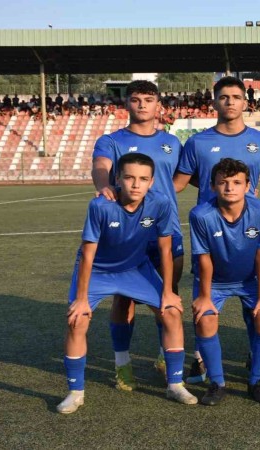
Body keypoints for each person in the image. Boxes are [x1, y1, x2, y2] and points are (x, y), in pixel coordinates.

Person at [57, 153, 197, 414]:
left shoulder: (160, 203)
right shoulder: (100, 205)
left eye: (143, 179)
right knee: (78, 319)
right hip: (98, 271)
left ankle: (175, 384)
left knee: (171, 312)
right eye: (129, 177)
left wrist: (168, 292)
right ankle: (75, 392)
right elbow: (87, 254)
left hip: (135, 268)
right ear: (118, 179)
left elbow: (165, 249)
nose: (136, 184)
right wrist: (82, 298)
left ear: (151, 182)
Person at [174, 76, 260, 383]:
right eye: (224, 97)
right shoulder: (197, 142)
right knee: (204, 300)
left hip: (249, 230)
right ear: (214, 102)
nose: (230, 102)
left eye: (236, 96)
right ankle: (201, 359)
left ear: (245, 102)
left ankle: (255, 360)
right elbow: (179, 183)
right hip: (212, 232)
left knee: (256, 304)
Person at [91, 80, 183, 390]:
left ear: (159, 105)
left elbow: (181, 179)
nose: (142, 104)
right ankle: (122, 364)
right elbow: (100, 166)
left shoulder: (172, 142)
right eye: (135, 99)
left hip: (166, 231)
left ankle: (164, 357)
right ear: (127, 104)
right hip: (127, 234)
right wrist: (103, 185)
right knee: (123, 298)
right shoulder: (111, 140)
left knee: (168, 295)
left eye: (148, 99)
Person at [189, 159, 260, 405]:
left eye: (237, 182)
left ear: (248, 186)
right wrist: (204, 297)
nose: (230, 188)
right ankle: (217, 383)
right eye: (223, 182)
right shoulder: (201, 214)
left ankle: (257, 380)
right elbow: (204, 258)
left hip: (251, 280)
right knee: (205, 318)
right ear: (213, 186)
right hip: (214, 282)